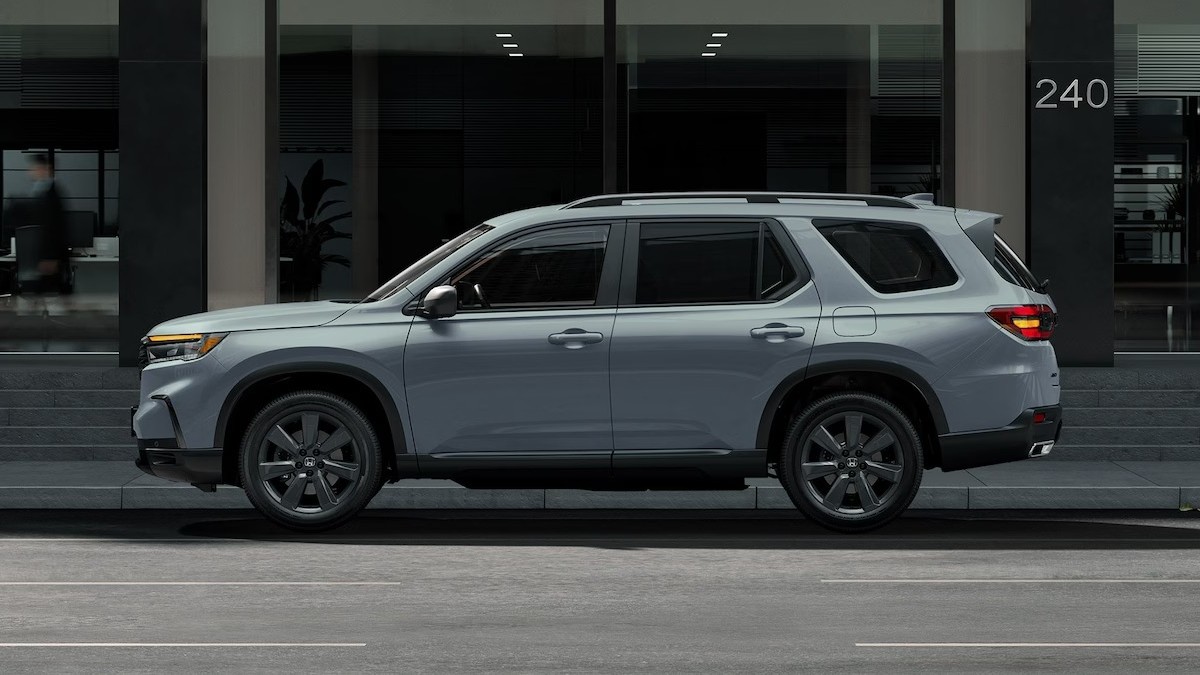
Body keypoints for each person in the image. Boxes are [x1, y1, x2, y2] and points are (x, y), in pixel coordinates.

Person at [27, 153, 68, 293]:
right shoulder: (42, 192)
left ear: (47, 169)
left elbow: (55, 227)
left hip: (50, 256)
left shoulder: (52, 194)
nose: (32, 172)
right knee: (48, 291)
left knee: (52, 291)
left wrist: (50, 256)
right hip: (44, 255)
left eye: (36, 168)